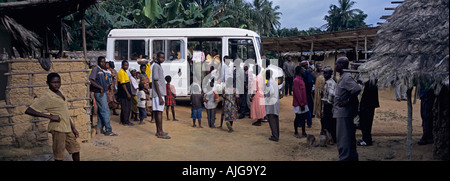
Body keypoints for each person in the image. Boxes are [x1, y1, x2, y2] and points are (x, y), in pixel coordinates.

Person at [25, 73, 80, 161]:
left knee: (76, 149)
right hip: (58, 129)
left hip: (67, 127)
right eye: (53, 82)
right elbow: (29, 110)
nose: (56, 84)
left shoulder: (61, 92)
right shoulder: (47, 96)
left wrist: (73, 128)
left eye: (58, 82)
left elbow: (65, 113)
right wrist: (50, 117)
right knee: (59, 155)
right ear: (48, 83)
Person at [333, 57, 361, 161]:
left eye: (337, 64)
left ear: (342, 65)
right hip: (342, 112)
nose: (335, 66)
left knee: (343, 137)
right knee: (349, 136)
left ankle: (344, 158)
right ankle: (352, 156)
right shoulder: (343, 76)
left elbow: (357, 89)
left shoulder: (346, 77)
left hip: (343, 112)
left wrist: (347, 101)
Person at [89, 56, 117, 136]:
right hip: (99, 93)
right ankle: (108, 130)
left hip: (103, 92)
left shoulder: (102, 70)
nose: (103, 63)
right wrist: (100, 87)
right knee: (105, 111)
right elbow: (91, 80)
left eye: (104, 62)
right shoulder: (95, 69)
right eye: (101, 62)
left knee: (101, 111)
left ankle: (100, 128)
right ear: (98, 62)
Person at [152, 52, 170, 139]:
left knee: (158, 112)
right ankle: (160, 131)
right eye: (161, 57)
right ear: (157, 57)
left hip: (159, 93)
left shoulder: (158, 66)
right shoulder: (156, 66)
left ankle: (158, 131)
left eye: (163, 58)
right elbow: (155, 81)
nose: (162, 59)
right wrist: (159, 96)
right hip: (158, 94)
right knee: (159, 112)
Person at [357, 78, 380, 146]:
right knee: (366, 124)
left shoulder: (370, 85)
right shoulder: (372, 84)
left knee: (365, 124)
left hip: (367, 107)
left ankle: (366, 140)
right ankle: (366, 139)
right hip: (369, 106)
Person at [321, 66, 337, 143]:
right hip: (329, 105)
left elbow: (331, 93)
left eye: (326, 73)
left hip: (329, 106)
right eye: (324, 73)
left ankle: (331, 139)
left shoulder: (330, 83)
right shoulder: (329, 81)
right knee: (329, 122)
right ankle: (331, 138)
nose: (324, 74)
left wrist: (328, 102)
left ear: (330, 74)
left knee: (329, 123)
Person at [292, 66, 309, 138]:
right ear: (299, 71)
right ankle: (296, 132)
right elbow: (297, 93)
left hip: (303, 102)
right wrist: (301, 104)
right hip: (299, 103)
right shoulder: (296, 80)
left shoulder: (301, 80)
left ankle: (303, 131)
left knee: (303, 118)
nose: (304, 71)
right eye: (303, 70)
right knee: (298, 117)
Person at [264, 69, 280, 142]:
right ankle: (276, 134)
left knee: (271, 119)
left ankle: (275, 136)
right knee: (275, 118)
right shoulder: (275, 82)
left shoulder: (269, 83)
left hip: (271, 103)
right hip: (275, 102)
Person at [118, 60, 134, 126]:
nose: (126, 66)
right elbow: (123, 84)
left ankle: (123, 120)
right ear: (122, 65)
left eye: (127, 65)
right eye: (125, 65)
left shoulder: (125, 72)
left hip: (126, 92)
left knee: (125, 107)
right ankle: (126, 121)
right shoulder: (121, 72)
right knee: (126, 107)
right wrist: (128, 93)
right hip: (124, 93)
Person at [300, 60, 314, 127]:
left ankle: (306, 122)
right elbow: (310, 82)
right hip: (307, 91)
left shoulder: (303, 72)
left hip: (304, 91)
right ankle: (308, 122)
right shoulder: (307, 72)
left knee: (304, 107)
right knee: (307, 107)